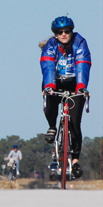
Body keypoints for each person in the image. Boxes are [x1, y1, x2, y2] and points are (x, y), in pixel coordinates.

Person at [40, 16, 91, 179]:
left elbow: (83, 64)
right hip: (55, 81)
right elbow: (47, 66)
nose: (63, 34)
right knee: (49, 99)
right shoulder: (50, 46)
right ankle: (52, 127)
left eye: (67, 31)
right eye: (59, 32)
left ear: (71, 31)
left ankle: (75, 160)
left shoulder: (80, 42)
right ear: (55, 35)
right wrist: (49, 87)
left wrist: (81, 87)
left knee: (75, 123)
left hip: (75, 82)